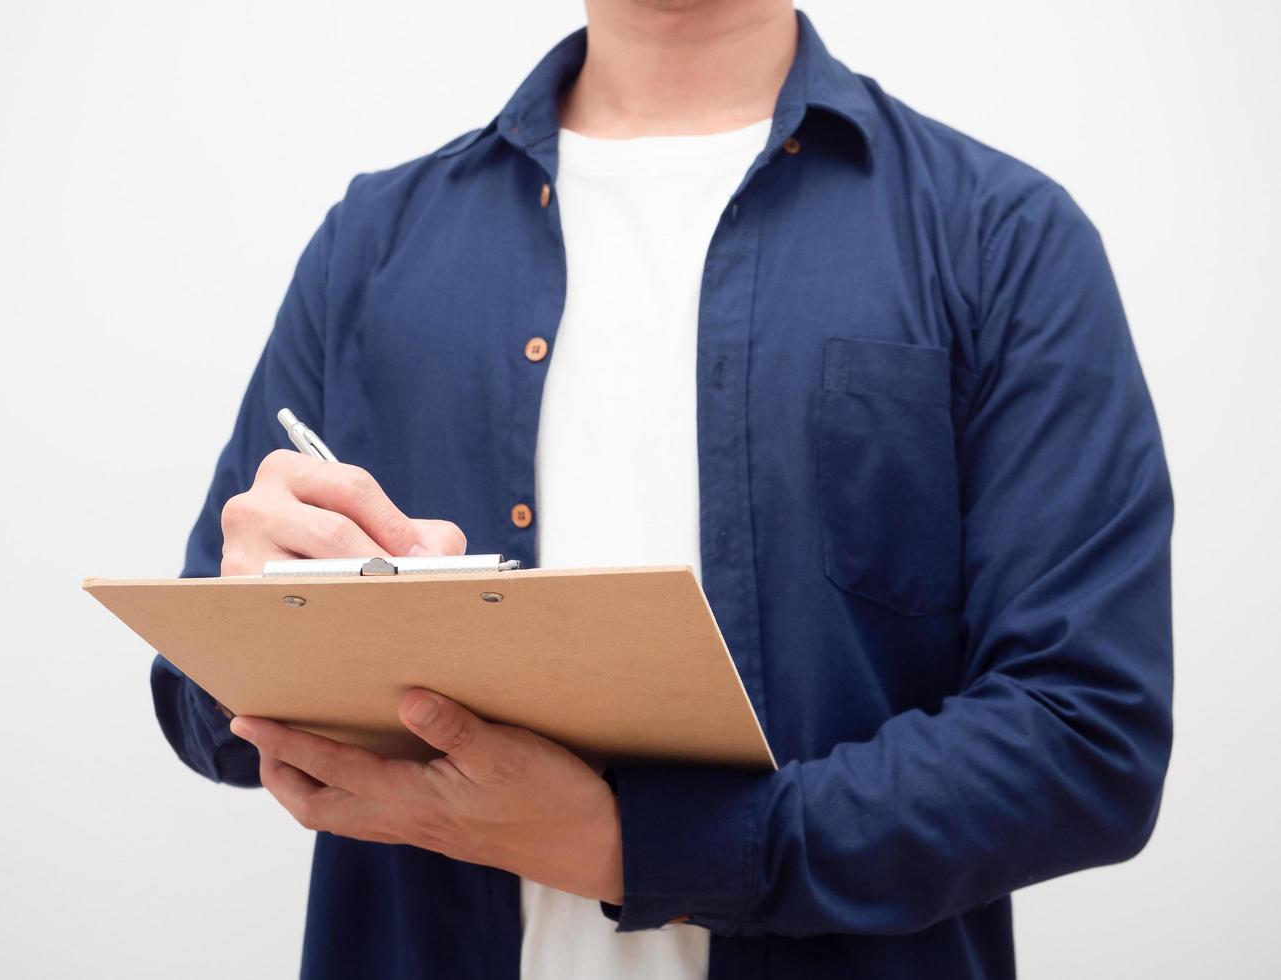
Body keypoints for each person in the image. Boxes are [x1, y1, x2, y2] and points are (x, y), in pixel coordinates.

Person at [151, 1, 1174, 978]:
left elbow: (1085, 737)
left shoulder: (1002, 239)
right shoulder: (371, 242)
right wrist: (252, 629)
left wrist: (636, 846)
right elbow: (201, 711)